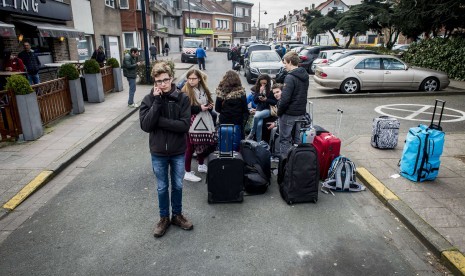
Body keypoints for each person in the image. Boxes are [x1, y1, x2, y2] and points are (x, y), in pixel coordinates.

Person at [139, 61, 193, 238]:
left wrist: (160, 122)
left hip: (178, 150)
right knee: (162, 187)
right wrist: (156, 103)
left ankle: (177, 215)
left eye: (165, 80)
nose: (163, 84)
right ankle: (164, 218)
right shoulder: (148, 99)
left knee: (177, 185)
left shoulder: (183, 98)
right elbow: (146, 125)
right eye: (158, 81)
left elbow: (184, 126)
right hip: (159, 152)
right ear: (154, 83)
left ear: (171, 78)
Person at [181, 69, 216, 182]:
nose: (191, 81)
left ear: (199, 79)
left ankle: (201, 165)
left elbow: (208, 101)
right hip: (191, 122)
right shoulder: (185, 91)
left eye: (193, 78)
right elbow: (183, 109)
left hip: (204, 119)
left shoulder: (203, 89)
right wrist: (199, 108)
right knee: (190, 147)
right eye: (189, 78)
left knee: (202, 144)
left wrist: (209, 106)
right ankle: (187, 172)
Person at [277, 51, 309, 156]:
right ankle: (296, 164)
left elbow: (285, 99)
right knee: (297, 141)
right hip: (301, 113)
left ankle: (285, 165)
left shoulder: (290, 77)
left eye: (285, 63)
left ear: (290, 62)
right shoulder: (305, 75)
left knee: (285, 140)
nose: (284, 66)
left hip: (289, 114)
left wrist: (279, 112)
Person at [215, 70, 249, 152]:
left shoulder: (221, 93)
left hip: (224, 121)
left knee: (224, 143)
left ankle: (224, 160)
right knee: (236, 144)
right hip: (237, 122)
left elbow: (217, 108)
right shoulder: (241, 93)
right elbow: (245, 110)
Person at [246, 74, 277, 142]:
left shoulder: (271, 89)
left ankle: (252, 133)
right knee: (259, 125)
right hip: (259, 109)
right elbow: (255, 101)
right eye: (261, 83)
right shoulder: (258, 88)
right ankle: (259, 142)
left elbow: (275, 102)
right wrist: (260, 92)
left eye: (264, 83)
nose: (263, 85)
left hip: (268, 109)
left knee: (256, 116)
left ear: (268, 82)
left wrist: (266, 99)